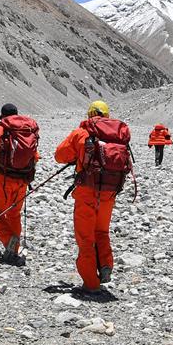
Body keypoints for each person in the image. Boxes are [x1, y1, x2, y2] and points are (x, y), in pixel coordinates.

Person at [54, 100, 132, 292]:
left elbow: (60, 156)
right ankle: (106, 265)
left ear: (90, 114)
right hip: (109, 191)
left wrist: (79, 156)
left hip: (87, 192)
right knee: (102, 232)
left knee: (85, 237)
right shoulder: (118, 135)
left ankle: (91, 282)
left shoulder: (82, 132)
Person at [0, 103, 39, 264]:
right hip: (23, 180)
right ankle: (14, 249)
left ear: (2, 115)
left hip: (4, 179)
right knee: (14, 214)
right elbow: (35, 156)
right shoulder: (27, 130)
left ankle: (9, 241)